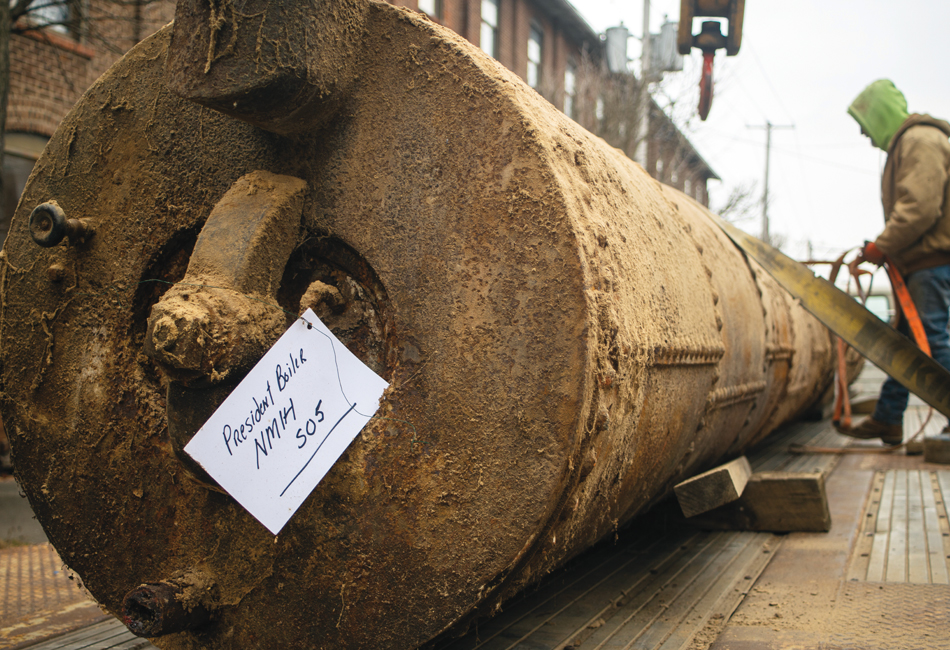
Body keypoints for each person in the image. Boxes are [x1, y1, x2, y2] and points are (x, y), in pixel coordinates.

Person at [844, 79, 950, 445]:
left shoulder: (920, 141)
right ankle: (888, 418)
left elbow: (919, 208)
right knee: (904, 344)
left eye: (864, 123)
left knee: (932, 342)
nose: (863, 133)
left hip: (930, 263)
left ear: (880, 115)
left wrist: (881, 247)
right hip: (918, 263)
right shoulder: (911, 143)